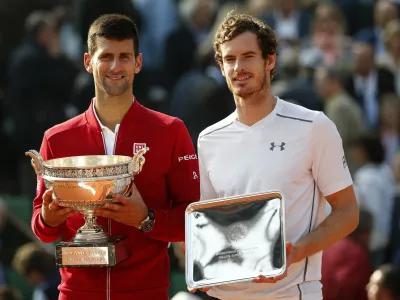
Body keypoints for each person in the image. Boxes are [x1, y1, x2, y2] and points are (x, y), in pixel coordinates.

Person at [30, 14, 200, 300]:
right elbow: (43, 229)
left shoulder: (170, 130)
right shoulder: (57, 138)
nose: (115, 66)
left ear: (138, 63)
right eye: (106, 56)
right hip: (76, 293)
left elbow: (194, 219)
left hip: (146, 293)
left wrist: (146, 219)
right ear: (88, 62)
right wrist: (48, 216)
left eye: (124, 56)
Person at [194, 12, 359, 300]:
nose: (238, 67)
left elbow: (347, 212)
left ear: (269, 61)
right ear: (220, 67)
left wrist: (297, 251)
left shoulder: (314, 127)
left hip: (293, 293)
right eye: (230, 59)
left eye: (248, 56)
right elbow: (214, 223)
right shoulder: (208, 139)